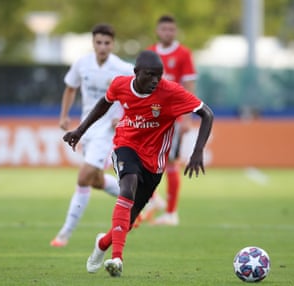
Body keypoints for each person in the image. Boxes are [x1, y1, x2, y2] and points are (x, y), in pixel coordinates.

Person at [63, 50, 213, 277]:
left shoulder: (170, 92)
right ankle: (117, 259)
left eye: (159, 76)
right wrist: (80, 130)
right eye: (150, 75)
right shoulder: (120, 85)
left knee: (129, 219)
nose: (155, 81)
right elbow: (104, 104)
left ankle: (102, 245)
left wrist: (197, 151)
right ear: (136, 73)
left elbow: (207, 114)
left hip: (154, 162)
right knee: (127, 185)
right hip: (126, 145)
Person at [50, 24, 134, 247]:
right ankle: (141, 196)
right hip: (86, 127)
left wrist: (123, 115)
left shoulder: (123, 68)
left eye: (107, 43)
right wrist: (64, 115)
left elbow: (136, 94)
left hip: (107, 131)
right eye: (99, 42)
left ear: (113, 44)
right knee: (96, 180)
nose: (102, 47)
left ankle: (64, 234)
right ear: (93, 43)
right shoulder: (82, 64)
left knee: (83, 176)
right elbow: (70, 88)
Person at [141, 15, 198, 226]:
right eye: (164, 29)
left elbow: (189, 85)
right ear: (158, 30)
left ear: (175, 32)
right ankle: (154, 199)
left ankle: (171, 213)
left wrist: (187, 116)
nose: (168, 33)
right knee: (140, 156)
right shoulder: (150, 52)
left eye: (171, 30)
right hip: (150, 116)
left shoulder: (183, 54)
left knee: (171, 161)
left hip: (172, 117)